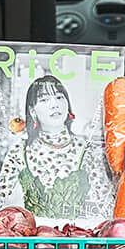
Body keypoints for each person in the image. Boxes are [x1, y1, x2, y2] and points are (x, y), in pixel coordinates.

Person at [18, 73, 110, 221]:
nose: (55, 104)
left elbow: (106, 207)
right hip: (33, 240)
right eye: (44, 99)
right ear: (32, 111)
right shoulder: (20, 151)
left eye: (60, 97)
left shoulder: (86, 149)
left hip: (76, 239)